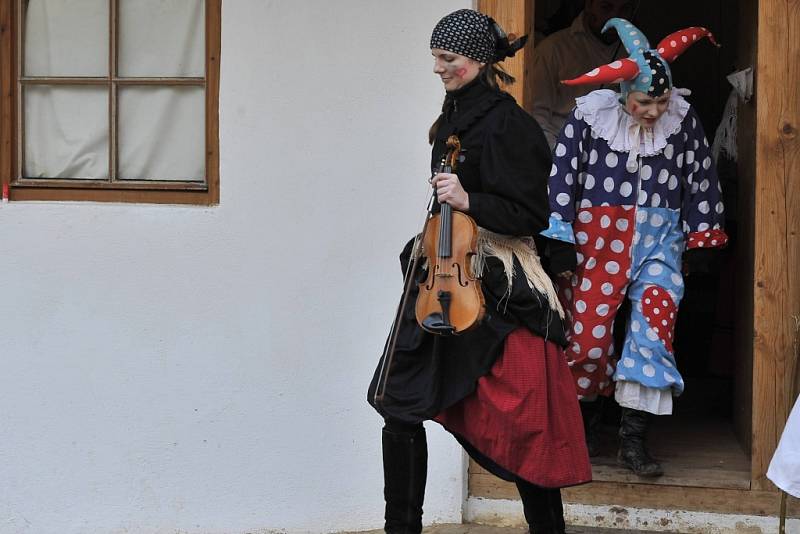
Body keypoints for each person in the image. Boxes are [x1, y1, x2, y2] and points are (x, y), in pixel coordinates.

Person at [367, 9, 591, 534]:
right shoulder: (452, 116)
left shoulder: (512, 125)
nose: (439, 69)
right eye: (436, 59)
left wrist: (471, 199)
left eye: (449, 59)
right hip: (442, 273)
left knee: (526, 427)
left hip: (496, 282)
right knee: (397, 402)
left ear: (479, 61)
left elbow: (532, 215)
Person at [540, 18, 727, 477]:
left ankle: (634, 441)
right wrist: (558, 236)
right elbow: (562, 178)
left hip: (661, 241)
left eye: (661, 101)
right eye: (645, 101)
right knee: (586, 337)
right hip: (595, 243)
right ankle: (583, 431)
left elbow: (700, 177)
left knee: (653, 334)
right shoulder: (589, 117)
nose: (654, 111)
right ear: (624, 93)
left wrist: (703, 234)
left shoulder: (681, 119)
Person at [531, 0, 637, 148]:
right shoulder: (552, 49)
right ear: (589, 5)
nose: (615, 17)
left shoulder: (638, 54)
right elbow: (537, 118)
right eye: (606, 7)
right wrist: (559, 161)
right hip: (561, 149)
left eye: (624, 9)